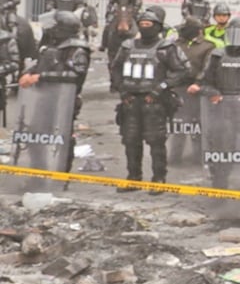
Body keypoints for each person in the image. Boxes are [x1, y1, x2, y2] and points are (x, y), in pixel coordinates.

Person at [109, 11, 192, 192]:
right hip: (130, 101)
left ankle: (159, 178)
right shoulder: (128, 46)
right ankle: (134, 177)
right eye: (142, 23)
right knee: (130, 140)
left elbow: (183, 71)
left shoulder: (167, 47)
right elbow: (115, 68)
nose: (145, 27)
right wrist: (123, 90)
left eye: (149, 24)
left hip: (154, 101)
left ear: (158, 26)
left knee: (156, 141)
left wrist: (160, 88)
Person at [17, 11, 90, 171]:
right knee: (34, 136)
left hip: (64, 101)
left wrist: (40, 77)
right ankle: (39, 171)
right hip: (43, 98)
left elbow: (75, 75)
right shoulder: (52, 45)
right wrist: (28, 73)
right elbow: (40, 65)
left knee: (61, 138)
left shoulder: (77, 49)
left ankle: (61, 175)